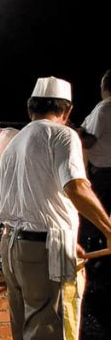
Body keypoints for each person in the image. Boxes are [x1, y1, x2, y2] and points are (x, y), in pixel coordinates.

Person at [0, 76, 111, 340]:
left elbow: (36, 197)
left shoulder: (15, 142)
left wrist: (65, 233)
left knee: (28, 339)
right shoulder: (63, 137)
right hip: (44, 251)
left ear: (31, 107)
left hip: (13, 245)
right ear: (67, 111)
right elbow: (75, 187)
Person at [78, 69, 111, 249]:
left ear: (104, 86)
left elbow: (89, 141)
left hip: (102, 171)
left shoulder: (104, 108)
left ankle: (91, 257)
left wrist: (76, 134)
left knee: (92, 215)